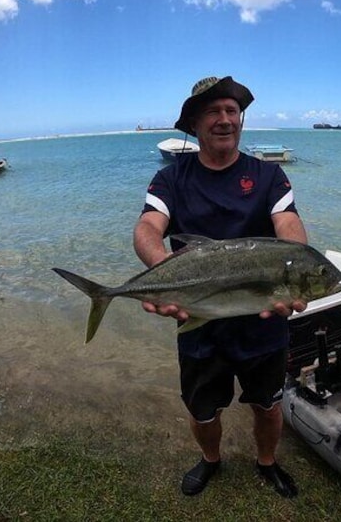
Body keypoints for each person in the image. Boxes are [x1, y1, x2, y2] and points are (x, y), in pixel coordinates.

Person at [132, 76, 307, 498]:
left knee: (267, 405)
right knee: (202, 409)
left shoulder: (268, 176)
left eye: (232, 111)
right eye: (213, 111)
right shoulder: (171, 180)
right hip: (197, 318)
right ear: (194, 123)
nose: (225, 119)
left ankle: (266, 462)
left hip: (262, 320)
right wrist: (163, 268)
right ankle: (211, 460)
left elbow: (290, 227)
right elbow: (147, 229)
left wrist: (292, 271)